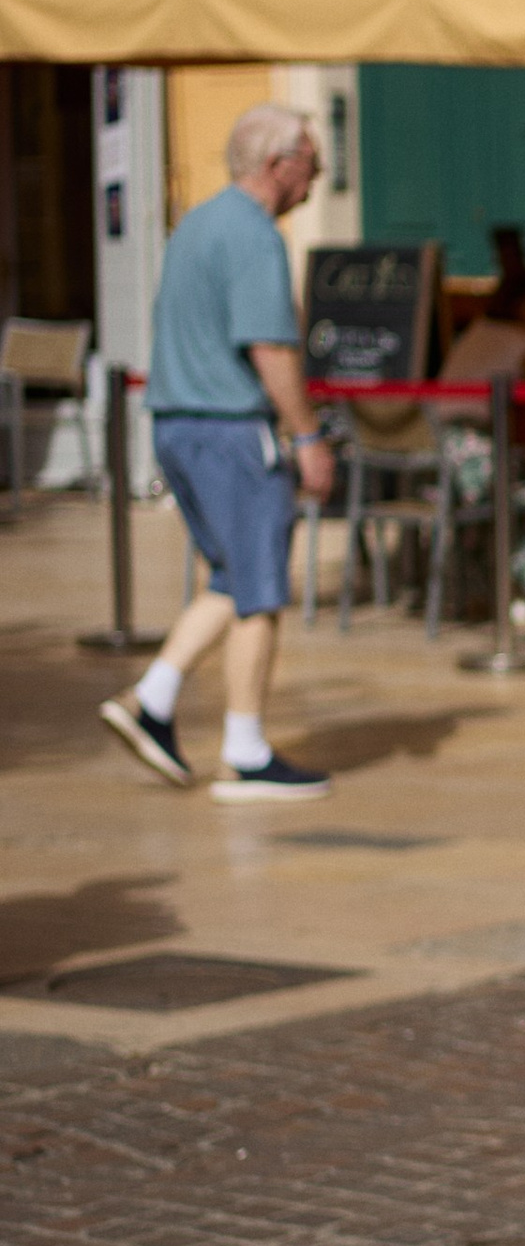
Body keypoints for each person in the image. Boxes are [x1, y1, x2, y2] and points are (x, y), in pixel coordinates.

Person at [100, 103, 335, 802]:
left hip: (176, 426)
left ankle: (152, 699)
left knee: (232, 578)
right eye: (311, 162)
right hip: (232, 432)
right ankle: (245, 752)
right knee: (260, 590)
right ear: (278, 164)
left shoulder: (196, 225)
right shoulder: (254, 236)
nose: (318, 176)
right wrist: (308, 436)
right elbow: (270, 348)